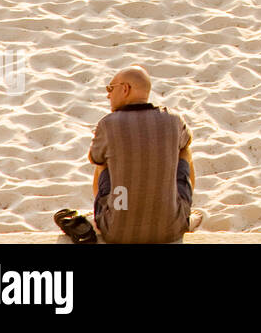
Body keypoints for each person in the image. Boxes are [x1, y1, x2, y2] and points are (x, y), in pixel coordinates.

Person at [55, 65, 198, 244]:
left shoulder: (108, 124)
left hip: (115, 232)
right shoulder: (173, 120)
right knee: (183, 148)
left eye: (110, 88)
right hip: (170, 230)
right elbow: (186, 142)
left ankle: (110, 213)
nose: (108, 95)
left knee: (104, 159)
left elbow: (95, 159)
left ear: (125, 89)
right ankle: (182, 212)